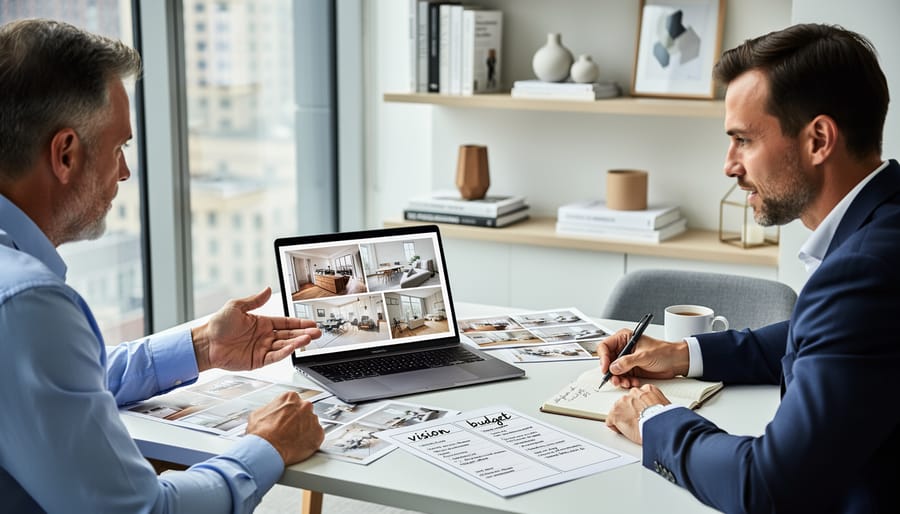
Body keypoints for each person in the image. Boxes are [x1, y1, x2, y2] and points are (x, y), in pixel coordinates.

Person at [0, 19, 325, 513]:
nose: (125, 171)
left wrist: (202, 347)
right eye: (118, 148)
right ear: (65, 153)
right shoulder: (26, 304)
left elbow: (52, 385)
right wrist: (267, 448)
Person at [599, 23, 898, 513]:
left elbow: (768, 488)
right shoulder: (884, 223)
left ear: (818, 139)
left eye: (743, 140)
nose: (729, 165)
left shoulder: (865, 271)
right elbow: (827, 339)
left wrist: (657, 421)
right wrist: (683, 354)